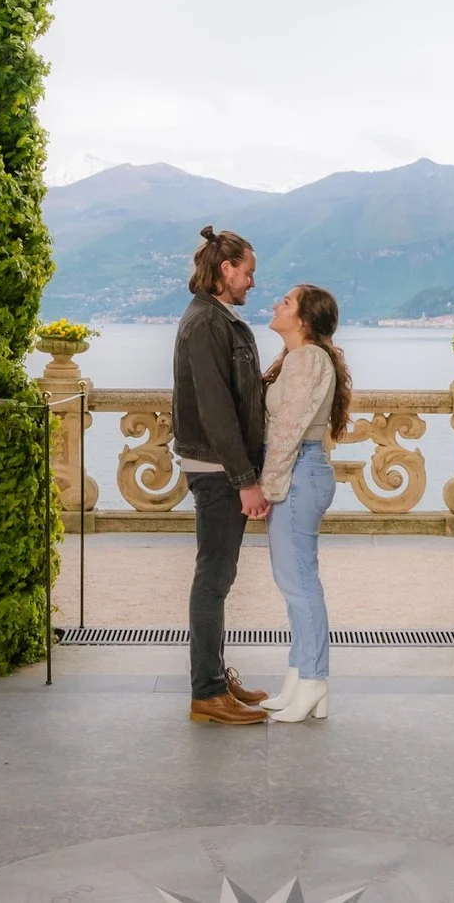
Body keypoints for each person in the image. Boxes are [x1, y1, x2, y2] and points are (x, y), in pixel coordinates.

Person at [172, 225, 273, 724]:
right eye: (248, 272)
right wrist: (246, 479)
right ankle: (207, 693)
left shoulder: (215, 320)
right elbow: (215, 410)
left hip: (216, 464)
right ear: (226, 269)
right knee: (213, 578)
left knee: (218, 575)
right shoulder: (208, 323)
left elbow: (232, 393)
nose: (253, 282)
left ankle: (214, 679)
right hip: (217, 468)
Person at [255, 282, 349, 722]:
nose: (277, 304)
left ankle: (313, 679)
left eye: (287, 302)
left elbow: (288, 431)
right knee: (295, 582)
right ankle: (300, 677)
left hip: (298, 473)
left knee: (300, 583)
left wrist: (267, 488)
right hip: (300, 471)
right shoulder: (298, 359)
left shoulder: (309, 358)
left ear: (305, 319)